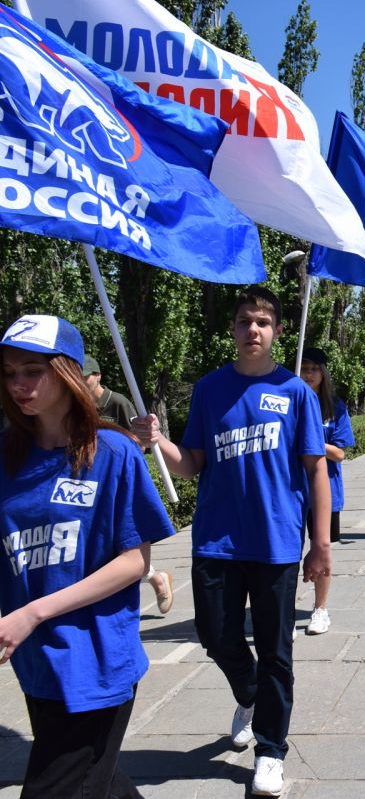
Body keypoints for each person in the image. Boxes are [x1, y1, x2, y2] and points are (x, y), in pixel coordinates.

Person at [131, 287, 331, 797]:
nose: (253, 330)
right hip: (216, 540)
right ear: (234, 328)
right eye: (245, 321)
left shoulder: (295, 392)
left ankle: (270, 751)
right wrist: (159, 442)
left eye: (263, 322)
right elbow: (193, 463)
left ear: (278, 331)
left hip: (277, 545)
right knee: (215, 634)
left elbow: (316, 471)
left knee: (277, 653)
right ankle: (249, 691)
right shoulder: (210, 389)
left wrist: (322, 546)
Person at [0, 315, 174, 799]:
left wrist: (33, 613)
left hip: (95, 660)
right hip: (36, 662)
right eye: (10, 372)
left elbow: (135, 561)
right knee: (101, 782)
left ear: (67, 372)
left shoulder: (114, 451)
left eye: (32, 370)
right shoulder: (6, 455)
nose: (19, 384)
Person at [83, 353, 175, 615]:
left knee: (122, 547)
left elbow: (141, 444)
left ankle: (151, 580)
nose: (80, 383)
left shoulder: (118, 403)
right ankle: (156, 578)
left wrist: (118, 448)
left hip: (121, 484)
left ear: (97, 375)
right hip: (91, 483)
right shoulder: (77, 406)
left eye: (84, 378)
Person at [298, 347, 354, 635]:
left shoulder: (335, 407)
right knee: (289, 552)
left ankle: (320, 609)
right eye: (304, 368)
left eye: (314, 369)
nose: (308, 374)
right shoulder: (288, 403)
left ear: (323, 373)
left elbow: (340, 454)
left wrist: (310, 441)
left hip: (326, 491)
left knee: (322, 549)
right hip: (291, 491)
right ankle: (282, 607)